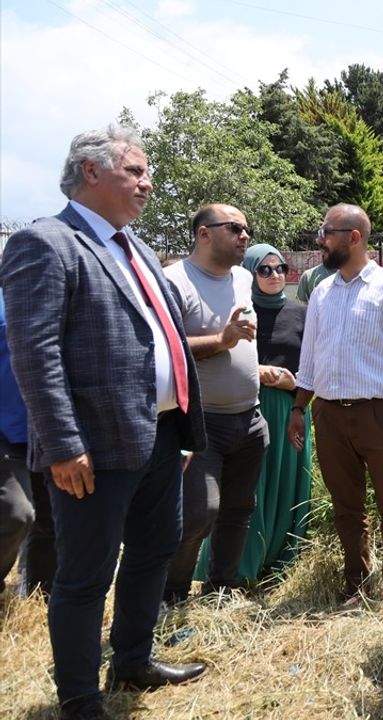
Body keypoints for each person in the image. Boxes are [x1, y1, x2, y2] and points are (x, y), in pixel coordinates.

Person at [0, 125, 208, 720]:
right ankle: (79, 698)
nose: (148, 183)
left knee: (154, 549)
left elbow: (160, 337)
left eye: (147, 173)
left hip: (159, 434)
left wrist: (178, 427)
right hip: (91, 446)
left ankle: (132, 660)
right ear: (90, 172)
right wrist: (63, 444)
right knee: (86, 575)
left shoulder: (134, 246)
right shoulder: (46, 242)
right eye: (135, 171)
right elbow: (34, 353)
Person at [287, 204, 383, 604]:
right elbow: (309, 359)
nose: (320, 240)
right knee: (346, 507)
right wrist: (299, 408)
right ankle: (357, 586)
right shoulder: (322, 293)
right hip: (329, 415)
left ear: (354, 237)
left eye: (326, 233)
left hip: (379, 414)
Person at [161, 204, 268, 603]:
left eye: (247, 229)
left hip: (250, 418)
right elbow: (165, 348)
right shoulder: (174, 280)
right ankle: (171, 594)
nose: (245, 236)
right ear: (203, 233)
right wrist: (222, 341)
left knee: (239, 509)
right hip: (199, 422)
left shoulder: (243, 278)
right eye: (235, 228)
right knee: (198, 514)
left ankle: (220, 590)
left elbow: (244, 337)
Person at [229, 244, 312, 580]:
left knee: (288, 481)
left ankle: (280, 562)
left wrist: (296, 392)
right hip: (250, 405)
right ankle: (240, 566)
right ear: (250, 273)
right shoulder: (240, 314)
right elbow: (224, 358)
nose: (275, 275)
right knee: (251, 484)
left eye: (280, 268)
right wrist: (259, 370)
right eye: (264, 269)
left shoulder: (302, 314)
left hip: (292, 408)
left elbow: (314, 365)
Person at [0, 292, 36, 599]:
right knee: (17, 512)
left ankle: (38, 592)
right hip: (6, 430)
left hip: (47, 431)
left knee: (48, 523)